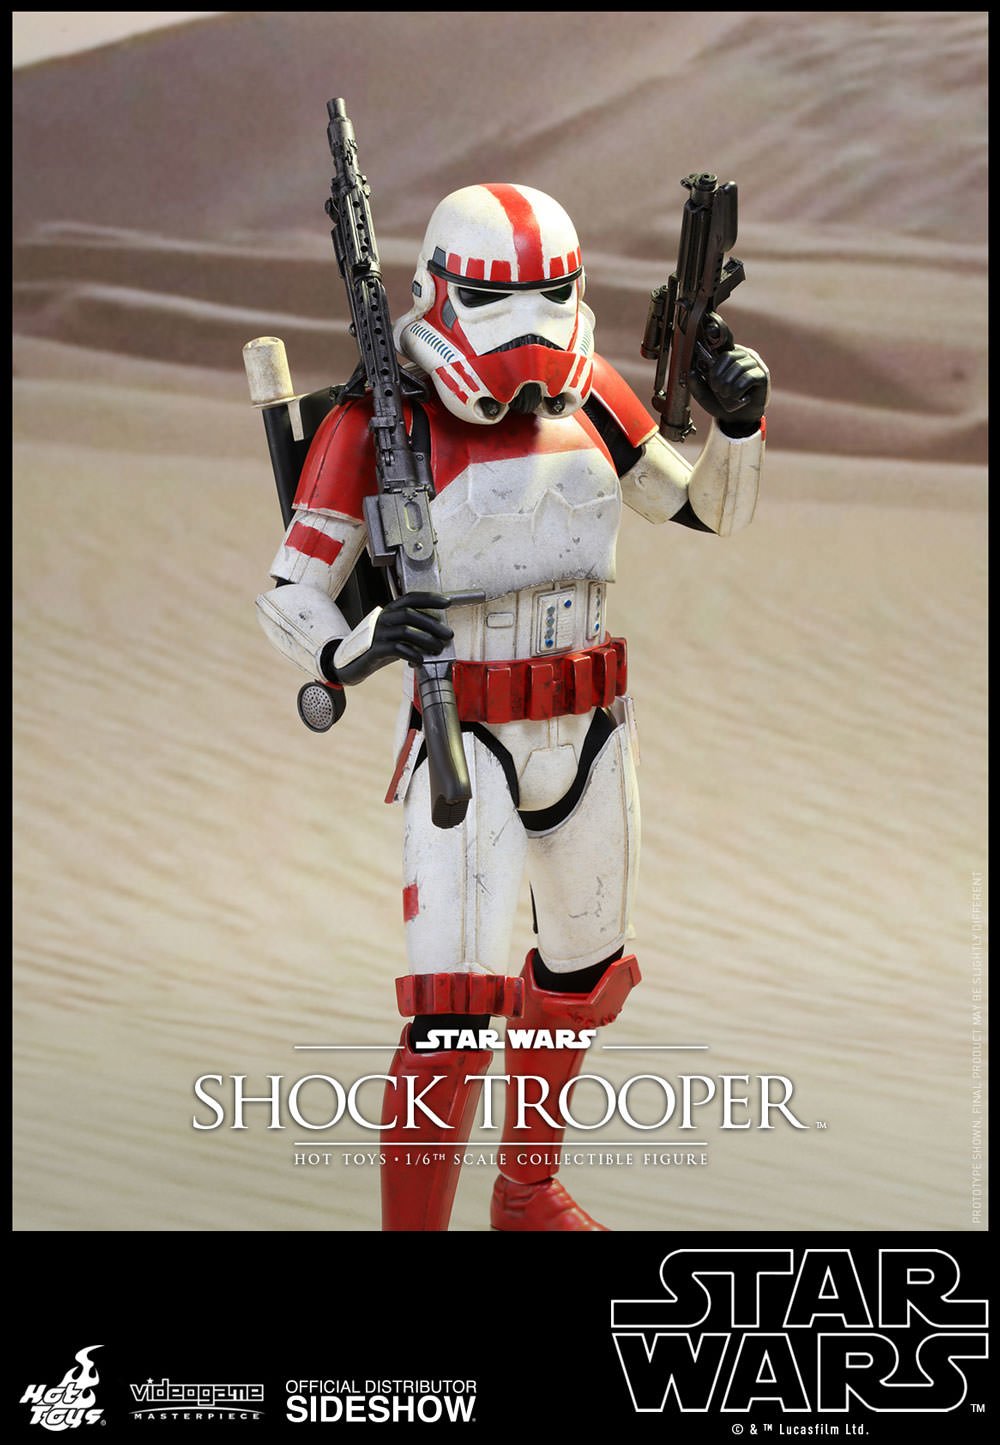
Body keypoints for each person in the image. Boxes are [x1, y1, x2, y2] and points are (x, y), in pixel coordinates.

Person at [255, 182, 769, 1231]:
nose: (529, 324)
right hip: (467, 725)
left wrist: (744, 423)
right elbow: (289, 591)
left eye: (550, 292)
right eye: (497, 295)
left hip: (591, 724)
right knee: (451, 1015)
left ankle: (526, 1191)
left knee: (585, 974)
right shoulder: (378, 419)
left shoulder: (594, 398)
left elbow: (708, 508)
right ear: (440, 291)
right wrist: (357, 643)